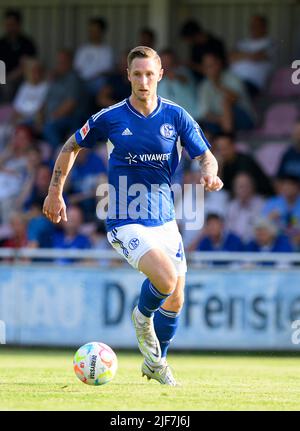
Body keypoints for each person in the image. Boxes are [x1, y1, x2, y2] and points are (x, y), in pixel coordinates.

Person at [42, 46, 223, 386]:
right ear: (128, 75)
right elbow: (70, 146)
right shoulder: (110, 117)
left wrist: (210, 174)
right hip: (125, 219)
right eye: (137, 74)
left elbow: (207, 156)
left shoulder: (176, 116)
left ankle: (157, 362)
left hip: (165, 220)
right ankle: (141, 318)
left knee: (177, 297)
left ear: (160, 75)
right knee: (166, 281)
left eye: (149, 74)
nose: (143, 81)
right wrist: (55, 191)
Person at [197, 52, 255, 134]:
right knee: (205, 128)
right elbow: (205, 112)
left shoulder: (233, 77)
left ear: (219, 64)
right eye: (207, 66)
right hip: (218, 119)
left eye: (212, 65)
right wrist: (220, 119)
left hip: (243, 117)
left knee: (226, 103)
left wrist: (218, 85)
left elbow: (234, 98)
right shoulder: (204, 85)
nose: (210, 69)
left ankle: (228, 137)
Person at [214, 132, 274, 196]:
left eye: (224, 149)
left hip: (260, 197)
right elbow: (219, 189)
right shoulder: (222, 163)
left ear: (233, 146)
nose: (222, 153)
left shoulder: (244, 161)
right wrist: (219, 168)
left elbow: (243, 189)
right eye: (219, 149)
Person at [230, 15, 275, 98]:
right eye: (252, 25)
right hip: (232, 80)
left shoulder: (269, 42)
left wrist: (240, 55)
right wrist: (249, 55)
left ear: (264, 27)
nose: (254, 28)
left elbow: (256, 57)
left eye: (257, 25)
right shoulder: (242, 42)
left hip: (252, 84)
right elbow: (230, 57)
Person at [0, 9, 37, 102]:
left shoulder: (27, 43)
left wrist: (11, 77)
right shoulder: (2, 42)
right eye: (7, 24)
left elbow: (29, 64)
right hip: (2, 77)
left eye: (12, 24)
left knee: (7, 86)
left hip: (21, 78)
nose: (9, 27)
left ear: (18, 25)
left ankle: (7, 113)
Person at [74, 17, 113, 95]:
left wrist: (93, 77)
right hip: (82, 82)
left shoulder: (107, 50)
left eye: (96, 31)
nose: (93, 33)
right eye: (91, 31)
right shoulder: (83, 49)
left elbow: (107, 70)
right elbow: (77, 69)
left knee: (102, 82)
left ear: (102, 32)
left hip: (98, 83)